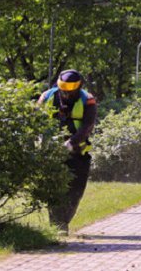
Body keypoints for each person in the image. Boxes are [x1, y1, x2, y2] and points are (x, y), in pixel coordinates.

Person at [37, 69, 97, 234]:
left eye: (70, 92)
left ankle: (63, 220)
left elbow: (88, 126)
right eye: (63, 91)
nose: (66, 95)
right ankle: (58, 225)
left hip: (78, 152)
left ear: (78, 88)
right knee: (54, 189)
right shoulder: (46, 97)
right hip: (51, 152)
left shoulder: (88, 100)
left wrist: (71, 142)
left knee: (75, 190)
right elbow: (35, 120)